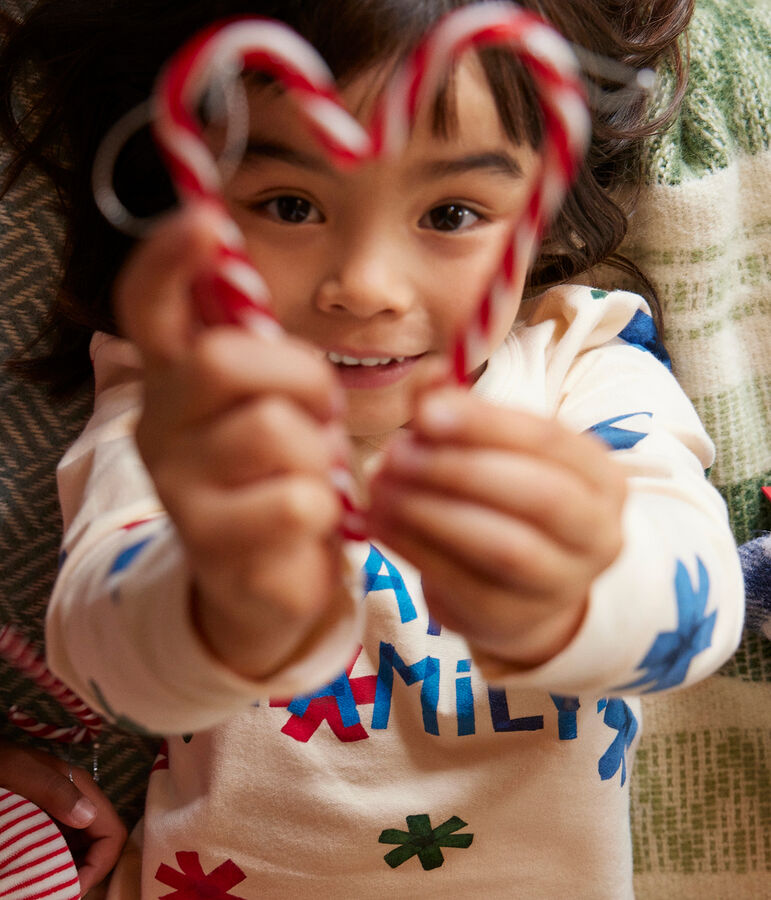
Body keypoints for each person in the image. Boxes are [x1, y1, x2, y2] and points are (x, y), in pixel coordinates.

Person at [0, 0, 745, 896]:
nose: (365, 285)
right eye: (290, 204)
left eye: (452, 213)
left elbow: (698, 614)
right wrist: (222, 600)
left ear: (541, 215)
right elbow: (108, 660)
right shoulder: (184, 398)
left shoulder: (575, 365)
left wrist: (584, 587)